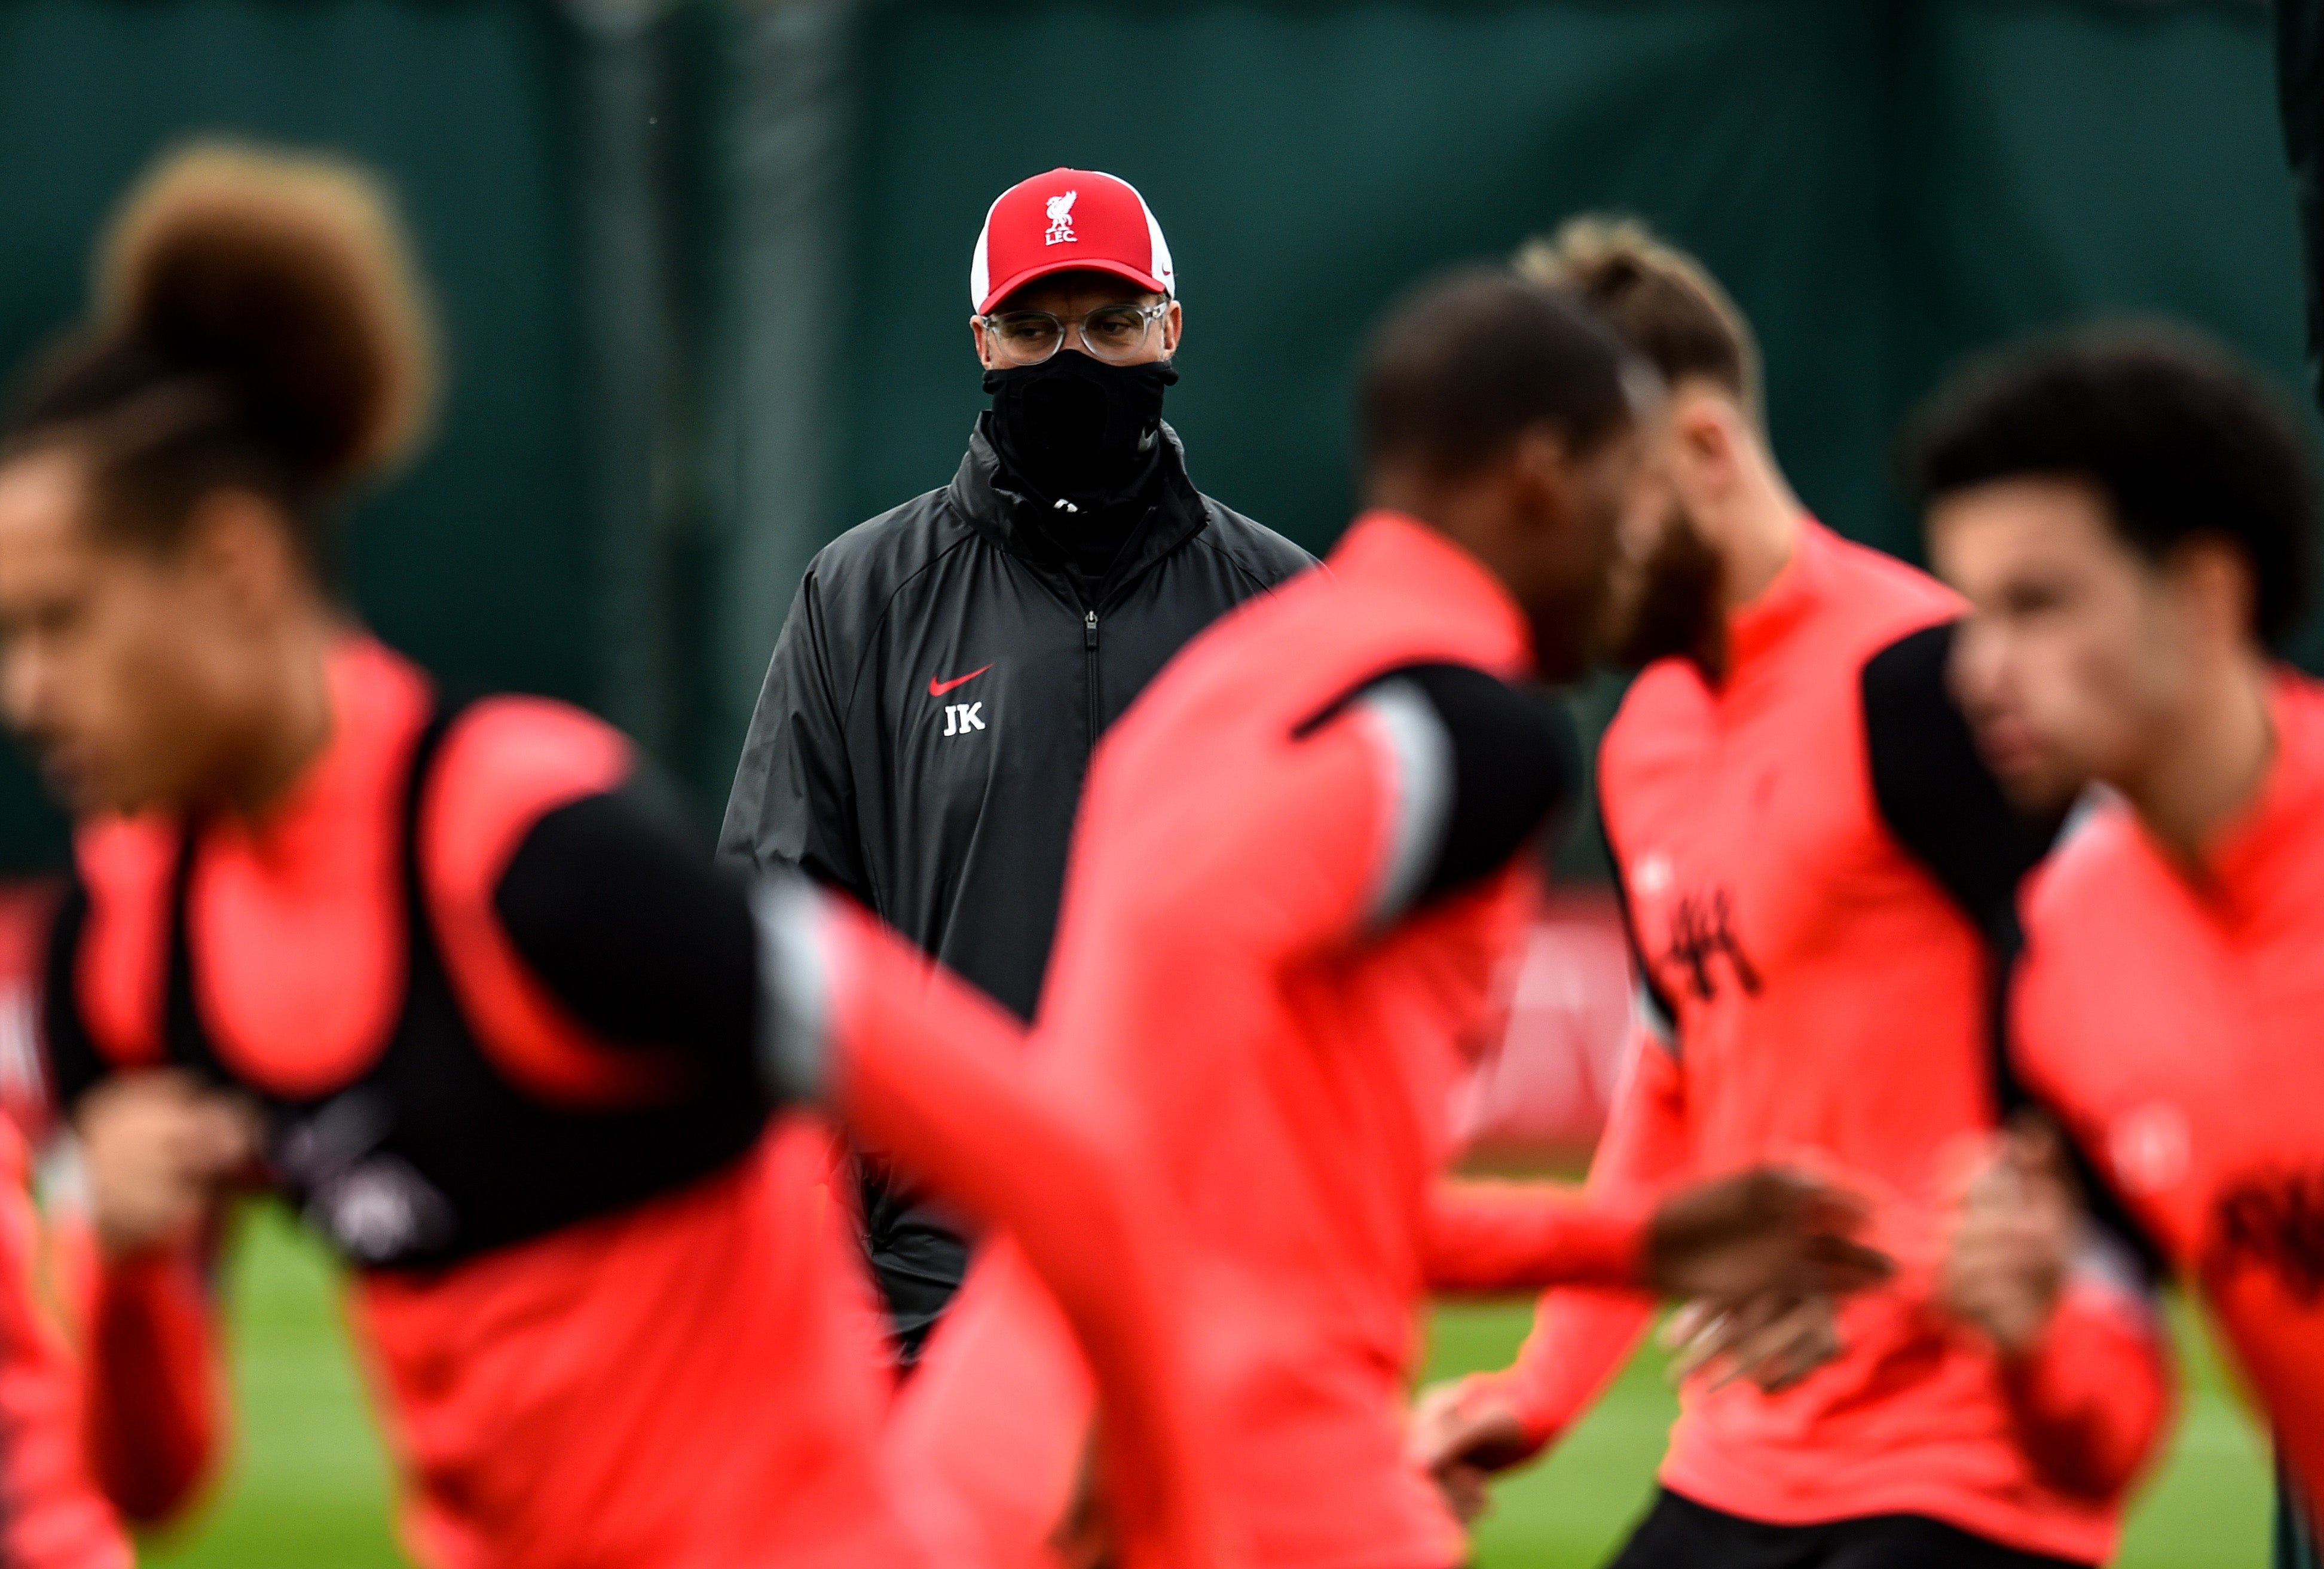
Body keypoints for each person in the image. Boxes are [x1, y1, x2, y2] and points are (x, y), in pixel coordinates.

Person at [5, 140, 1219, 1569]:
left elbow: (1055, 1163)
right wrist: (132, 1257)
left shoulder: (533, 849)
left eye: (61, 622)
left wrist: (1173, 1500)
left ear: (232, 566)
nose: (26, 691)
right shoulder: (123, 950)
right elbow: (151, 1478)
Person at [885, 265, 1894, 1569]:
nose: (1644, 533)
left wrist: (1638, 1240)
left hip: (999, 1434)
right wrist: (1126, 1398)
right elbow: (1198, 953)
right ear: (1540, 477)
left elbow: (1311, 1209)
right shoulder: (1468, 728)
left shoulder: (1240, 674)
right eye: (1625, 486)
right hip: (1229, 1463)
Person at [1406, 221, 2173, 1569]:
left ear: (1700, 452)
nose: (1555, 555)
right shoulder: (1645, 733)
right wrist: (1536, 1394)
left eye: (1585, 503)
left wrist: (1909, 1255)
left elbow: (2143, 999)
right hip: (1744, 1462)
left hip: (1968, 1474)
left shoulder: (1929, 684)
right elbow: (1671, 1081)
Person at [720, 166, 1313, 1363]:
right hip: (935, 1301)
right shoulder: (862, 597)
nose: (1075, 362)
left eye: (1111, 325)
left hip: (1211, 1301)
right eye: (1035, 330)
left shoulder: (1285, 609)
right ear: (981, 343)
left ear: (1171, 328)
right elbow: (785, 946)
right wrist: (828, 1293)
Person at [1914, 325, 2324, 1510]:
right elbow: (2107, 1435)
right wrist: (2038, 1332)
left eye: (2037, 604)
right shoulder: (2065, 952)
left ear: (2204, 595)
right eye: (1972, 611)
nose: (1980, 669)